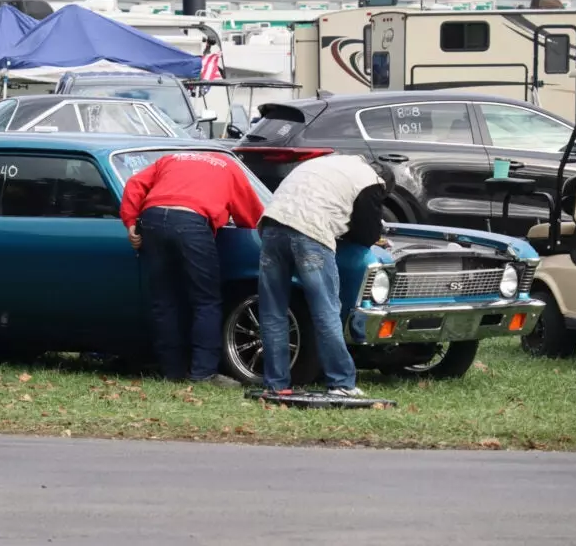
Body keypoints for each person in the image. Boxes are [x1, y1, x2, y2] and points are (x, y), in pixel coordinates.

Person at [119, 151, 265, 388]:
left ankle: (172, 371)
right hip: (192, 222)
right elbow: (250, 214)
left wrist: (131, 223)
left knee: (164, 300)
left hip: (152, 218)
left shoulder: (171, 159)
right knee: (206, 300)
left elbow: (135, 184)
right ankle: (203, 373)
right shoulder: (227, 166)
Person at [257, 153, 395, 399]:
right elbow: (365, 232)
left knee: (273, 311)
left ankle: (276, 384)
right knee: (326, 310)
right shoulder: (371, 180)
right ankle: (340, 381)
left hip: (272, 226)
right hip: (310, 233)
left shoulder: (329, 162)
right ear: (383, 182)